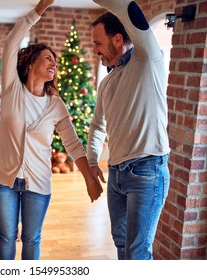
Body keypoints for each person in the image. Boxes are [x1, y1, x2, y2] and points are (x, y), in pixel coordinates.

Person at [0, 0, 103, 260]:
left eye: (55, 60)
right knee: (7, 235)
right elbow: (10, 44)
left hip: (38, 183)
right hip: (3, 181)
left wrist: (87, 178)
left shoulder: (56, 105)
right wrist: (39, 9)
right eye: (47, 58)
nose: (54, 63)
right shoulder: (11, 90)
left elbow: (73, 144)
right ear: (30, 64)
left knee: (32, 238)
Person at [87, 0, 171, 260]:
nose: (94, 50)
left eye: (97, 43)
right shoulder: (107, 82)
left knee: (137, 251)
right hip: (117, 174)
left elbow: (130, 11)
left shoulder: (147, 60)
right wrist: (91, 162)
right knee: (121, 244)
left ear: (117, 39)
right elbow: (98, 125)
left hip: (147, 171)